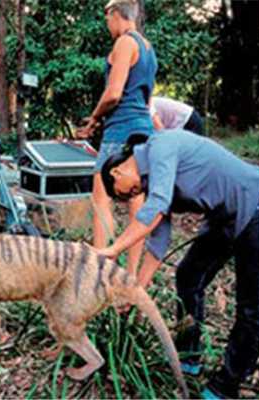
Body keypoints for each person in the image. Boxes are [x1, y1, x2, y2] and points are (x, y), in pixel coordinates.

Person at [97, 130, 259, 400]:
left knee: (252, 307)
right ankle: (189, 355)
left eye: (124, 193)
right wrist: (135, 292)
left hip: (256, 205)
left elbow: (158, 205)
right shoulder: (155, 181)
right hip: (224, 218)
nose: (131, 196)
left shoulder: (160, 145)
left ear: (116, 172)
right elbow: (158, 242)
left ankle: (226, 385)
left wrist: (114, 249)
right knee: (188, 276)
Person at [75, 0, 157, 276]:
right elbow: (145, 99)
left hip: (121, 130)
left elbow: (113, 94)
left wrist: (94, 118)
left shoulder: (124, 43)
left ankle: (101, 272)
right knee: (137, 203)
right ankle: (130, 276)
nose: (107, 25)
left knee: (101, 200)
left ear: (114, 14)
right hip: (144, 130)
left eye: (107, 19)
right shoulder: (148, 48)